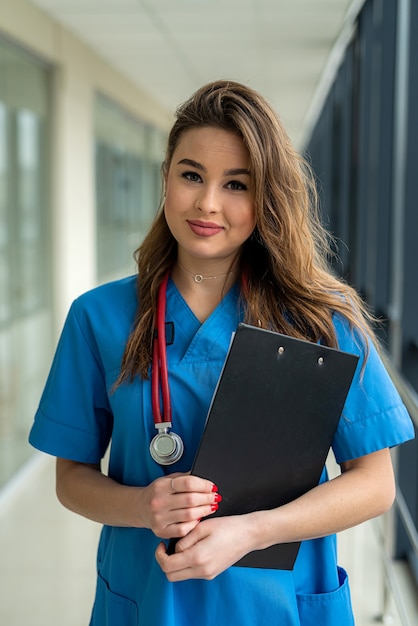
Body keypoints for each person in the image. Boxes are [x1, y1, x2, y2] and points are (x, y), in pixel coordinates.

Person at [29, 79, 414, 626]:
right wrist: (142, 506)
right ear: (166, 178)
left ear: (266, 198)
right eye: (192, 175)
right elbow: (72, 478)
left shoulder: (322, 318)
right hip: (150, 600)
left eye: (237, 184)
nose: (208, 203)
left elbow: (376, 485)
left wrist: (254, 530)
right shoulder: (99, 318)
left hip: (282, 603)